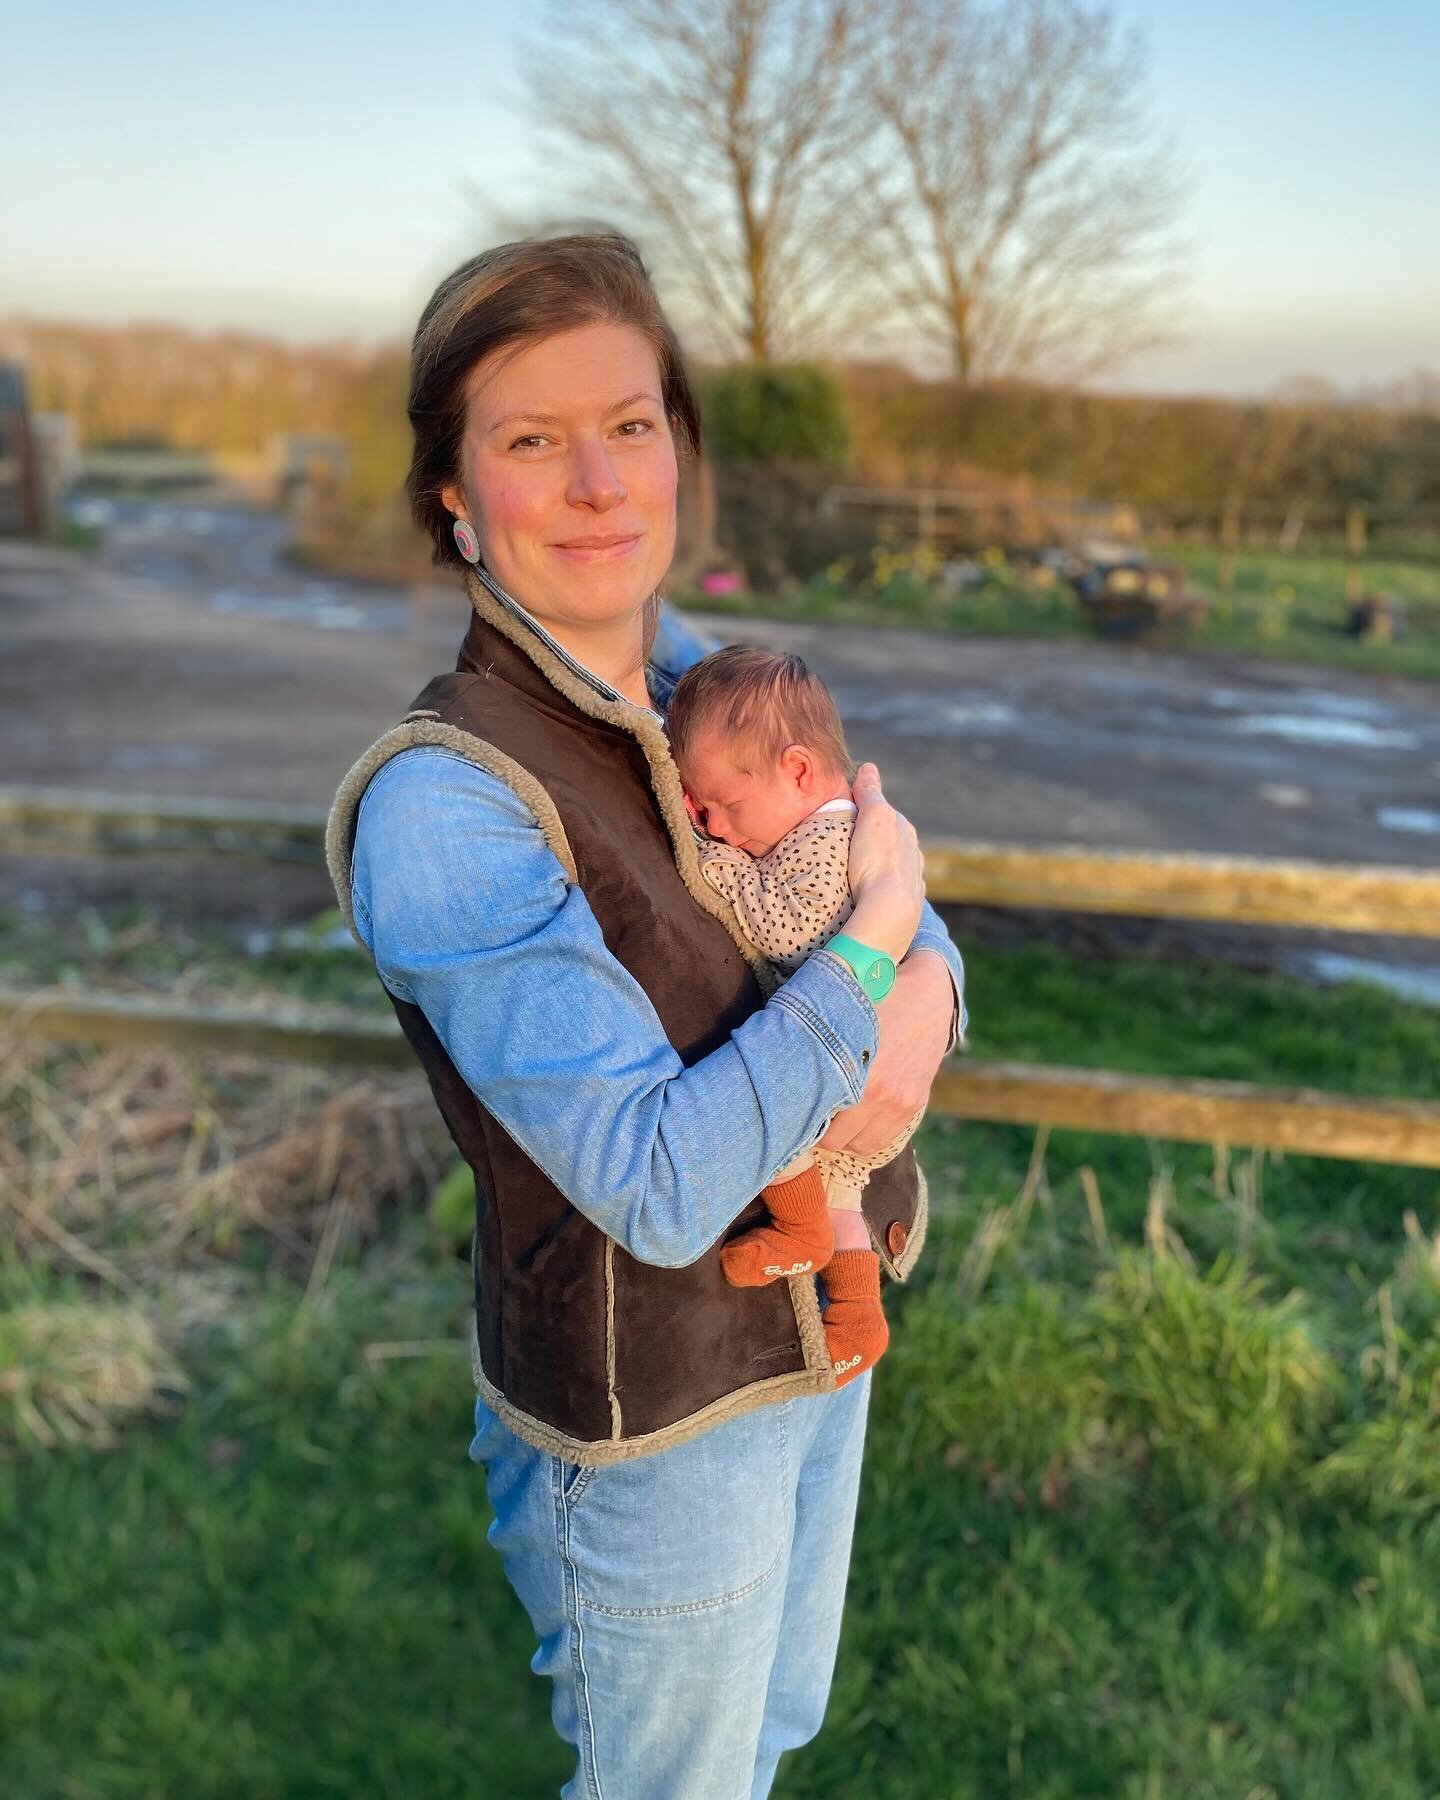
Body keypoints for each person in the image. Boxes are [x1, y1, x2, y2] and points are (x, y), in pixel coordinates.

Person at [325, 233, 966, 1800]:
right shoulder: (445, 804)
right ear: (454, 502)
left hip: (820, 1338)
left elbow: (858, 874)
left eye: (629, 424)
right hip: (651, 1420)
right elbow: (664, 1179)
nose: (602, 482)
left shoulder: (712, 687)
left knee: (770, 1740)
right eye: (533, 441)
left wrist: (929, 969)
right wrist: (887, 945)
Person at [668, 644, 937, 1388]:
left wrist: (715, 870)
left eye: (727, 806)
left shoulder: (825, 845)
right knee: (843, 1190)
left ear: (796, 770)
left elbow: (787, 932)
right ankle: (856, 1315)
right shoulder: (838, 827)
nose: (717, 827)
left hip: (847, 1059)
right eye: (701, 813)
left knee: (774, 1106)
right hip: (870, 1063)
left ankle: (795, 1229)